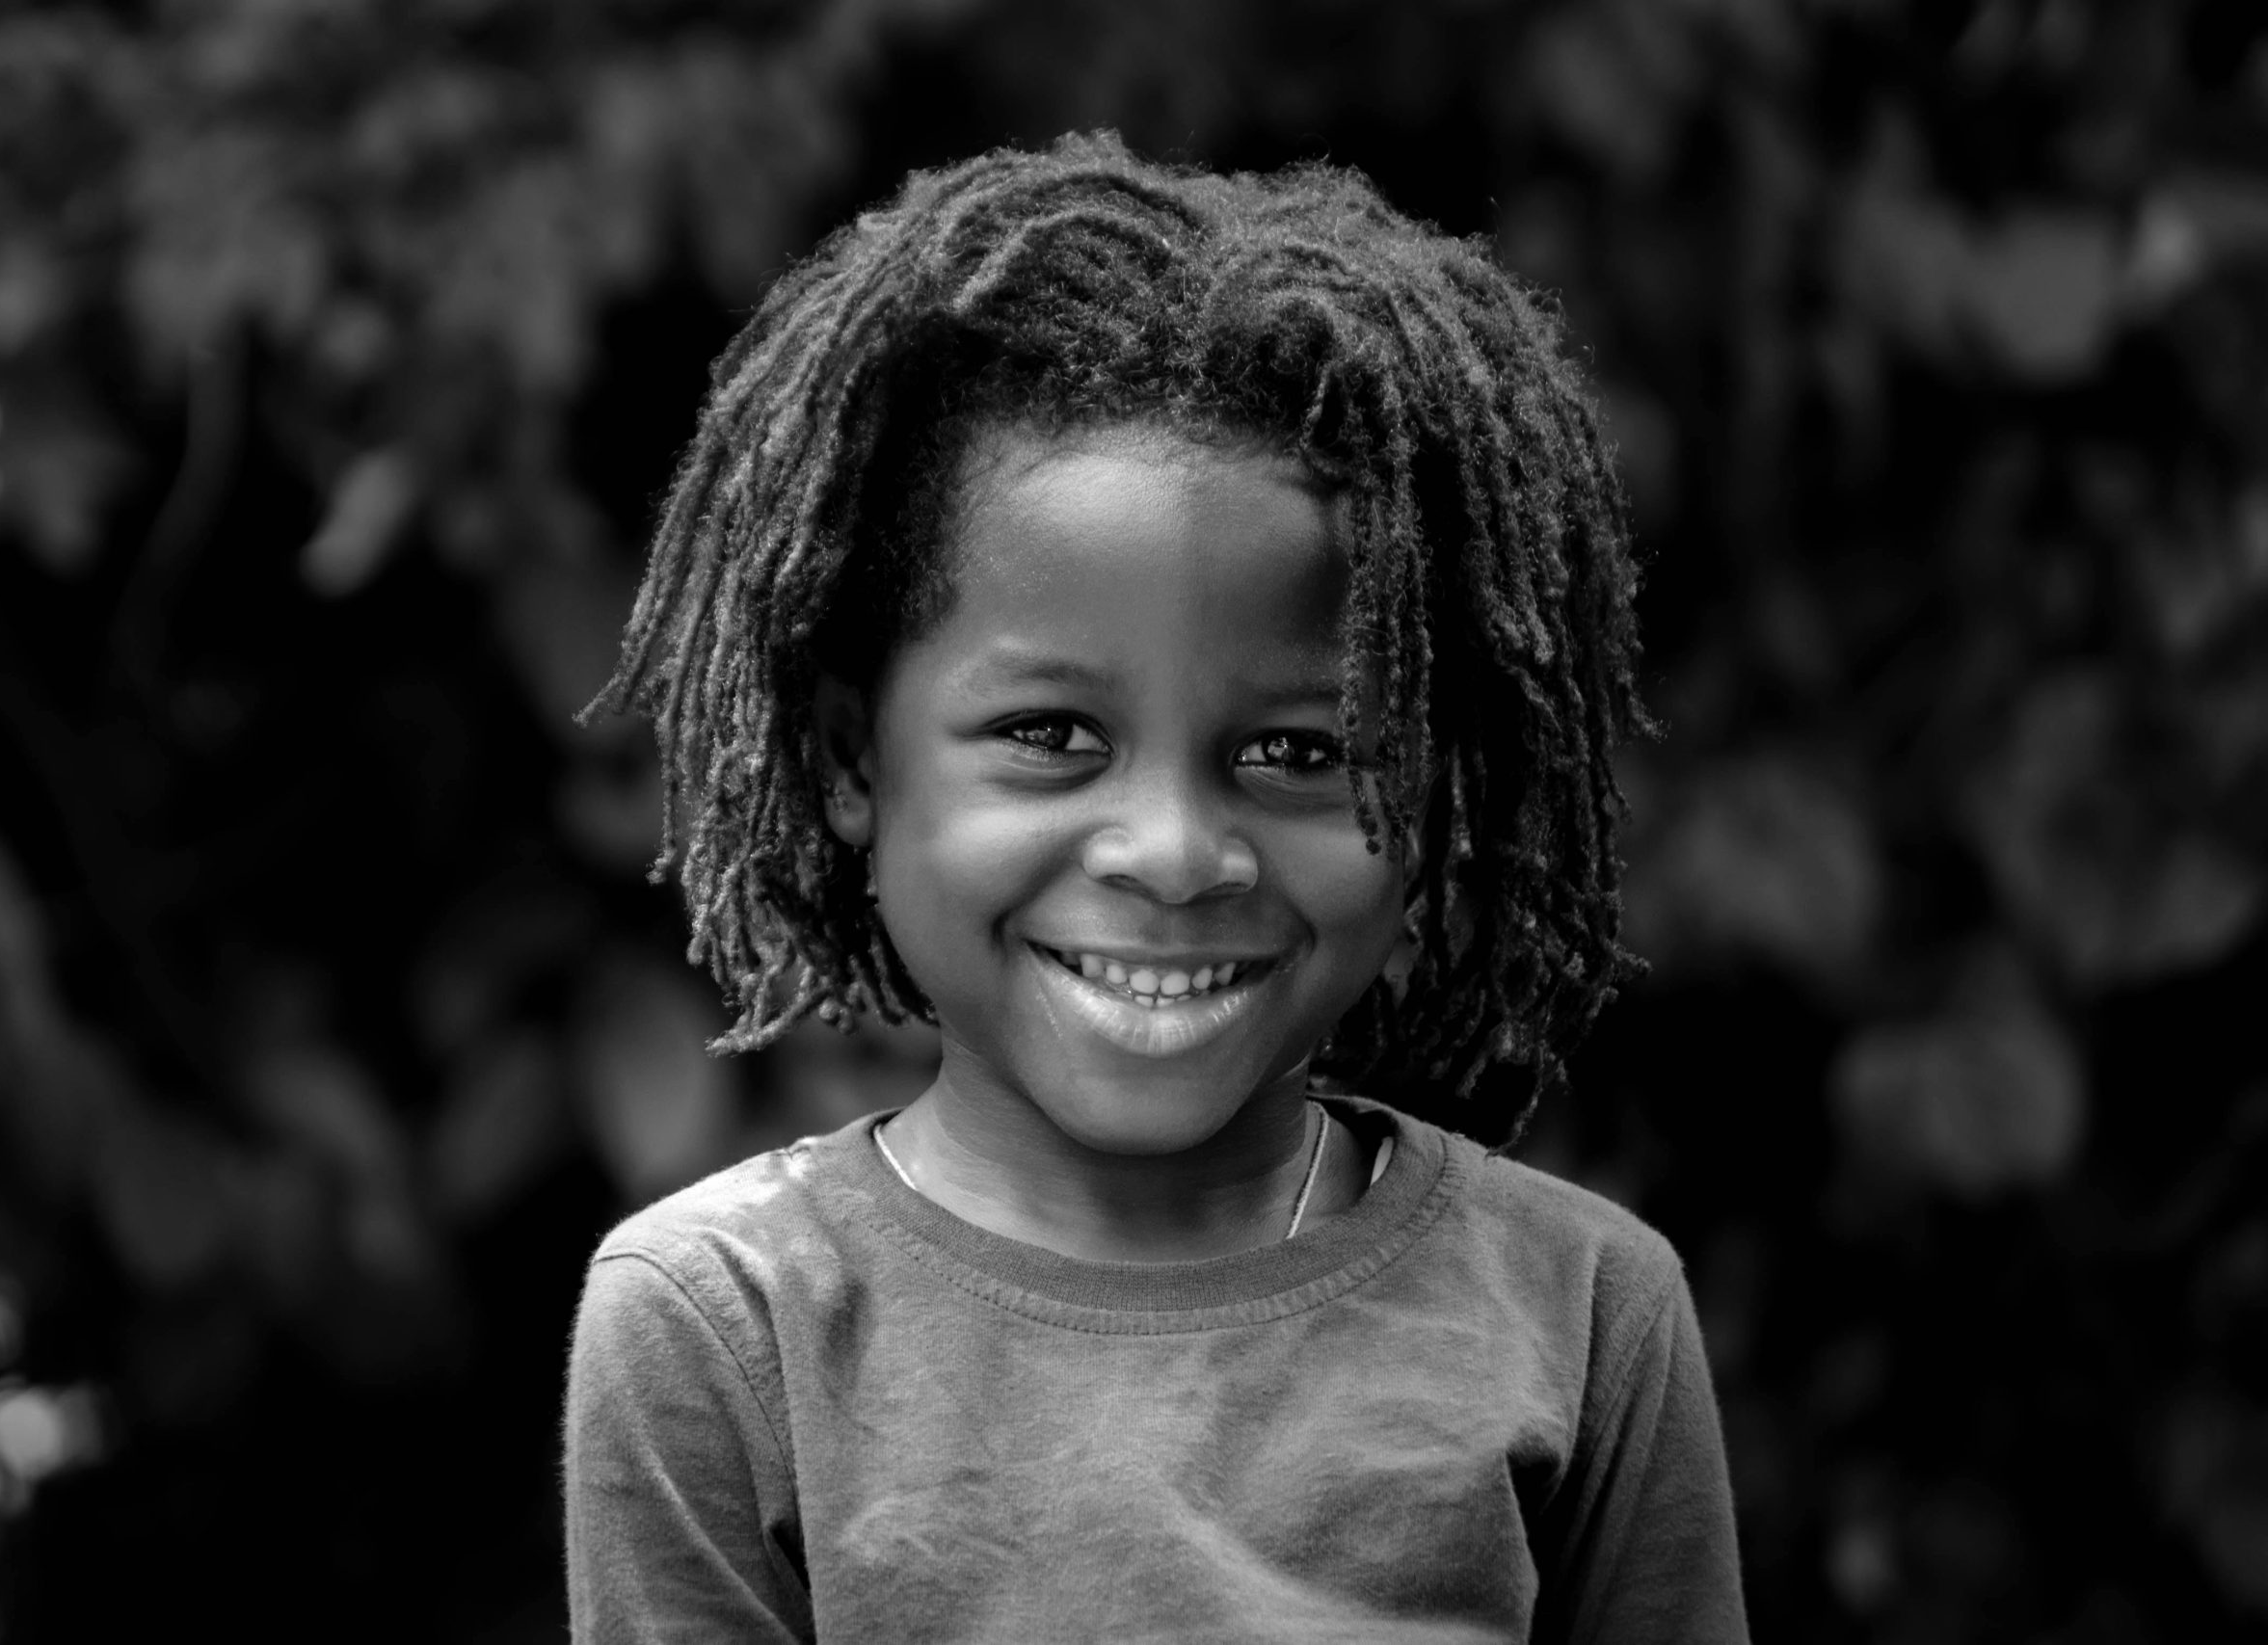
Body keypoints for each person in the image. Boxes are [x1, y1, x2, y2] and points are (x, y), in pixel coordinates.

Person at [563, 132, 1748, 1643]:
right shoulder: (727, 1326)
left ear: (1434, 788)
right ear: (856, 758)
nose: (1178, 854)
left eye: (1300, 751)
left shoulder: (1584, 1313)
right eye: (1051, 737)